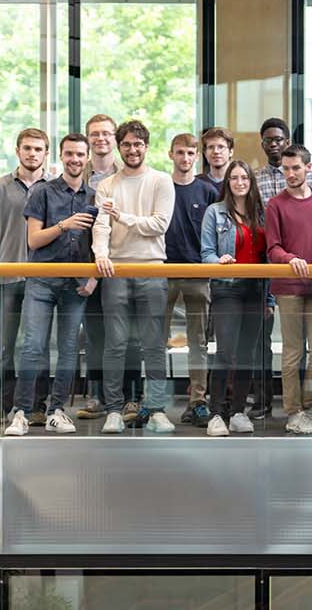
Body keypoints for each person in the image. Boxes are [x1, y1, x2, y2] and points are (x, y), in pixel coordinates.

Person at [4, 132, 96, 436]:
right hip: (42, 280)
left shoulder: (94, 196)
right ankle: (22, 412)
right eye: (69, 154)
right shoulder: (43, 192)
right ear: (61, 156)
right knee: (33, 347)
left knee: (68, 349)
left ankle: (57, 410)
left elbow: (102, 242)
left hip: (76, 284)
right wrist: (64, 225)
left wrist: (93, 277)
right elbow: (33, 239)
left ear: (87, 158)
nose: (75, 160)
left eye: (80, 155)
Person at [91, 120, 177, 434]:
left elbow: (159, 225)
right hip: (115, 270)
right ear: (119, 147)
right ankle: (114, 409)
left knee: (153, 345)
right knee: (114, 344)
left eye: (138, 144)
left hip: (152, 269)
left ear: (146, 146)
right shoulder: (107, 185)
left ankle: (156, 409)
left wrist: (122, 217)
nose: (132, 149)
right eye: (126, 144)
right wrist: (100, 253)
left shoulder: (161, 181)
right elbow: (101, 226)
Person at [265, 144, 312, 435]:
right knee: (293, 352)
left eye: (296, 168)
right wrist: (291, 258)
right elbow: (273, 247)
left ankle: (307, 404)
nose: (290, 174)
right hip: (289, 286)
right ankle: (293, 412)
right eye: (286, 169)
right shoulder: (275, 204)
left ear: (308, 167)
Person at [0, 127, 49, 427]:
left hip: (42, 279)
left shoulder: (54, 187)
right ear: (17, 151)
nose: (32, 153)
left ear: (46, 154)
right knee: (4, 347)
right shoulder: (0, 187)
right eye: (27, 148)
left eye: (38, 149)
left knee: (38, 347)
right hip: (8, 276)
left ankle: (37, 405)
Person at [199, 160, 267, 437]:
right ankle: (217, 413)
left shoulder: (261, 213)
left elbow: (268, 255)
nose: (240, 182)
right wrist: (220, 261)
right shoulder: (215, 212)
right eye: (234, 178)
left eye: (244, 178)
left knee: (248, 355)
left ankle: (238, 411)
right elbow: (206, 254)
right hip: (227, 287)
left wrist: (270, 300)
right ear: (227, 182)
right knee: (225, 352)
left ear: (251, 182)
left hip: (255, 290)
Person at [164, 133, 218, 427]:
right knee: (155, 339)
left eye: (190, 153)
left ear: (196, 157)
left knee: (198, 340)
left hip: (198, 272)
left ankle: (198, 400)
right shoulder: (160, 186)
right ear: (170, 154)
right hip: (162, 272)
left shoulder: (207, 191)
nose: (185, 158)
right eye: (180, 153)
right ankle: (154, 401)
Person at [78, 113, 123, 422]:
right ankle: (96, 395)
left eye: (107, 133)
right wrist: (90, 273)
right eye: (95, 134)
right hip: (87, 270)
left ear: (115, 138)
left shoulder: (129, 175)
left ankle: (125, 397)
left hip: (121, 266)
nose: (101, 139)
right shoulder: (77, 178)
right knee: (95, 335)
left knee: (122, 335)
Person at [256, 117, 312, 202]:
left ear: (287, 143)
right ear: (262, 145)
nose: (273, 144)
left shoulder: (304, 173)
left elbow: (311, 204)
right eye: (268, 140)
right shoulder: (255, 177)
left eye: (278, 140)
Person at [198, 126, 234, 191]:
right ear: (205, 153)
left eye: (221, 147)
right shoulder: (197, 184)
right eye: (211, 147)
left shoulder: (240, 183)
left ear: (231, 152)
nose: (216, 151)